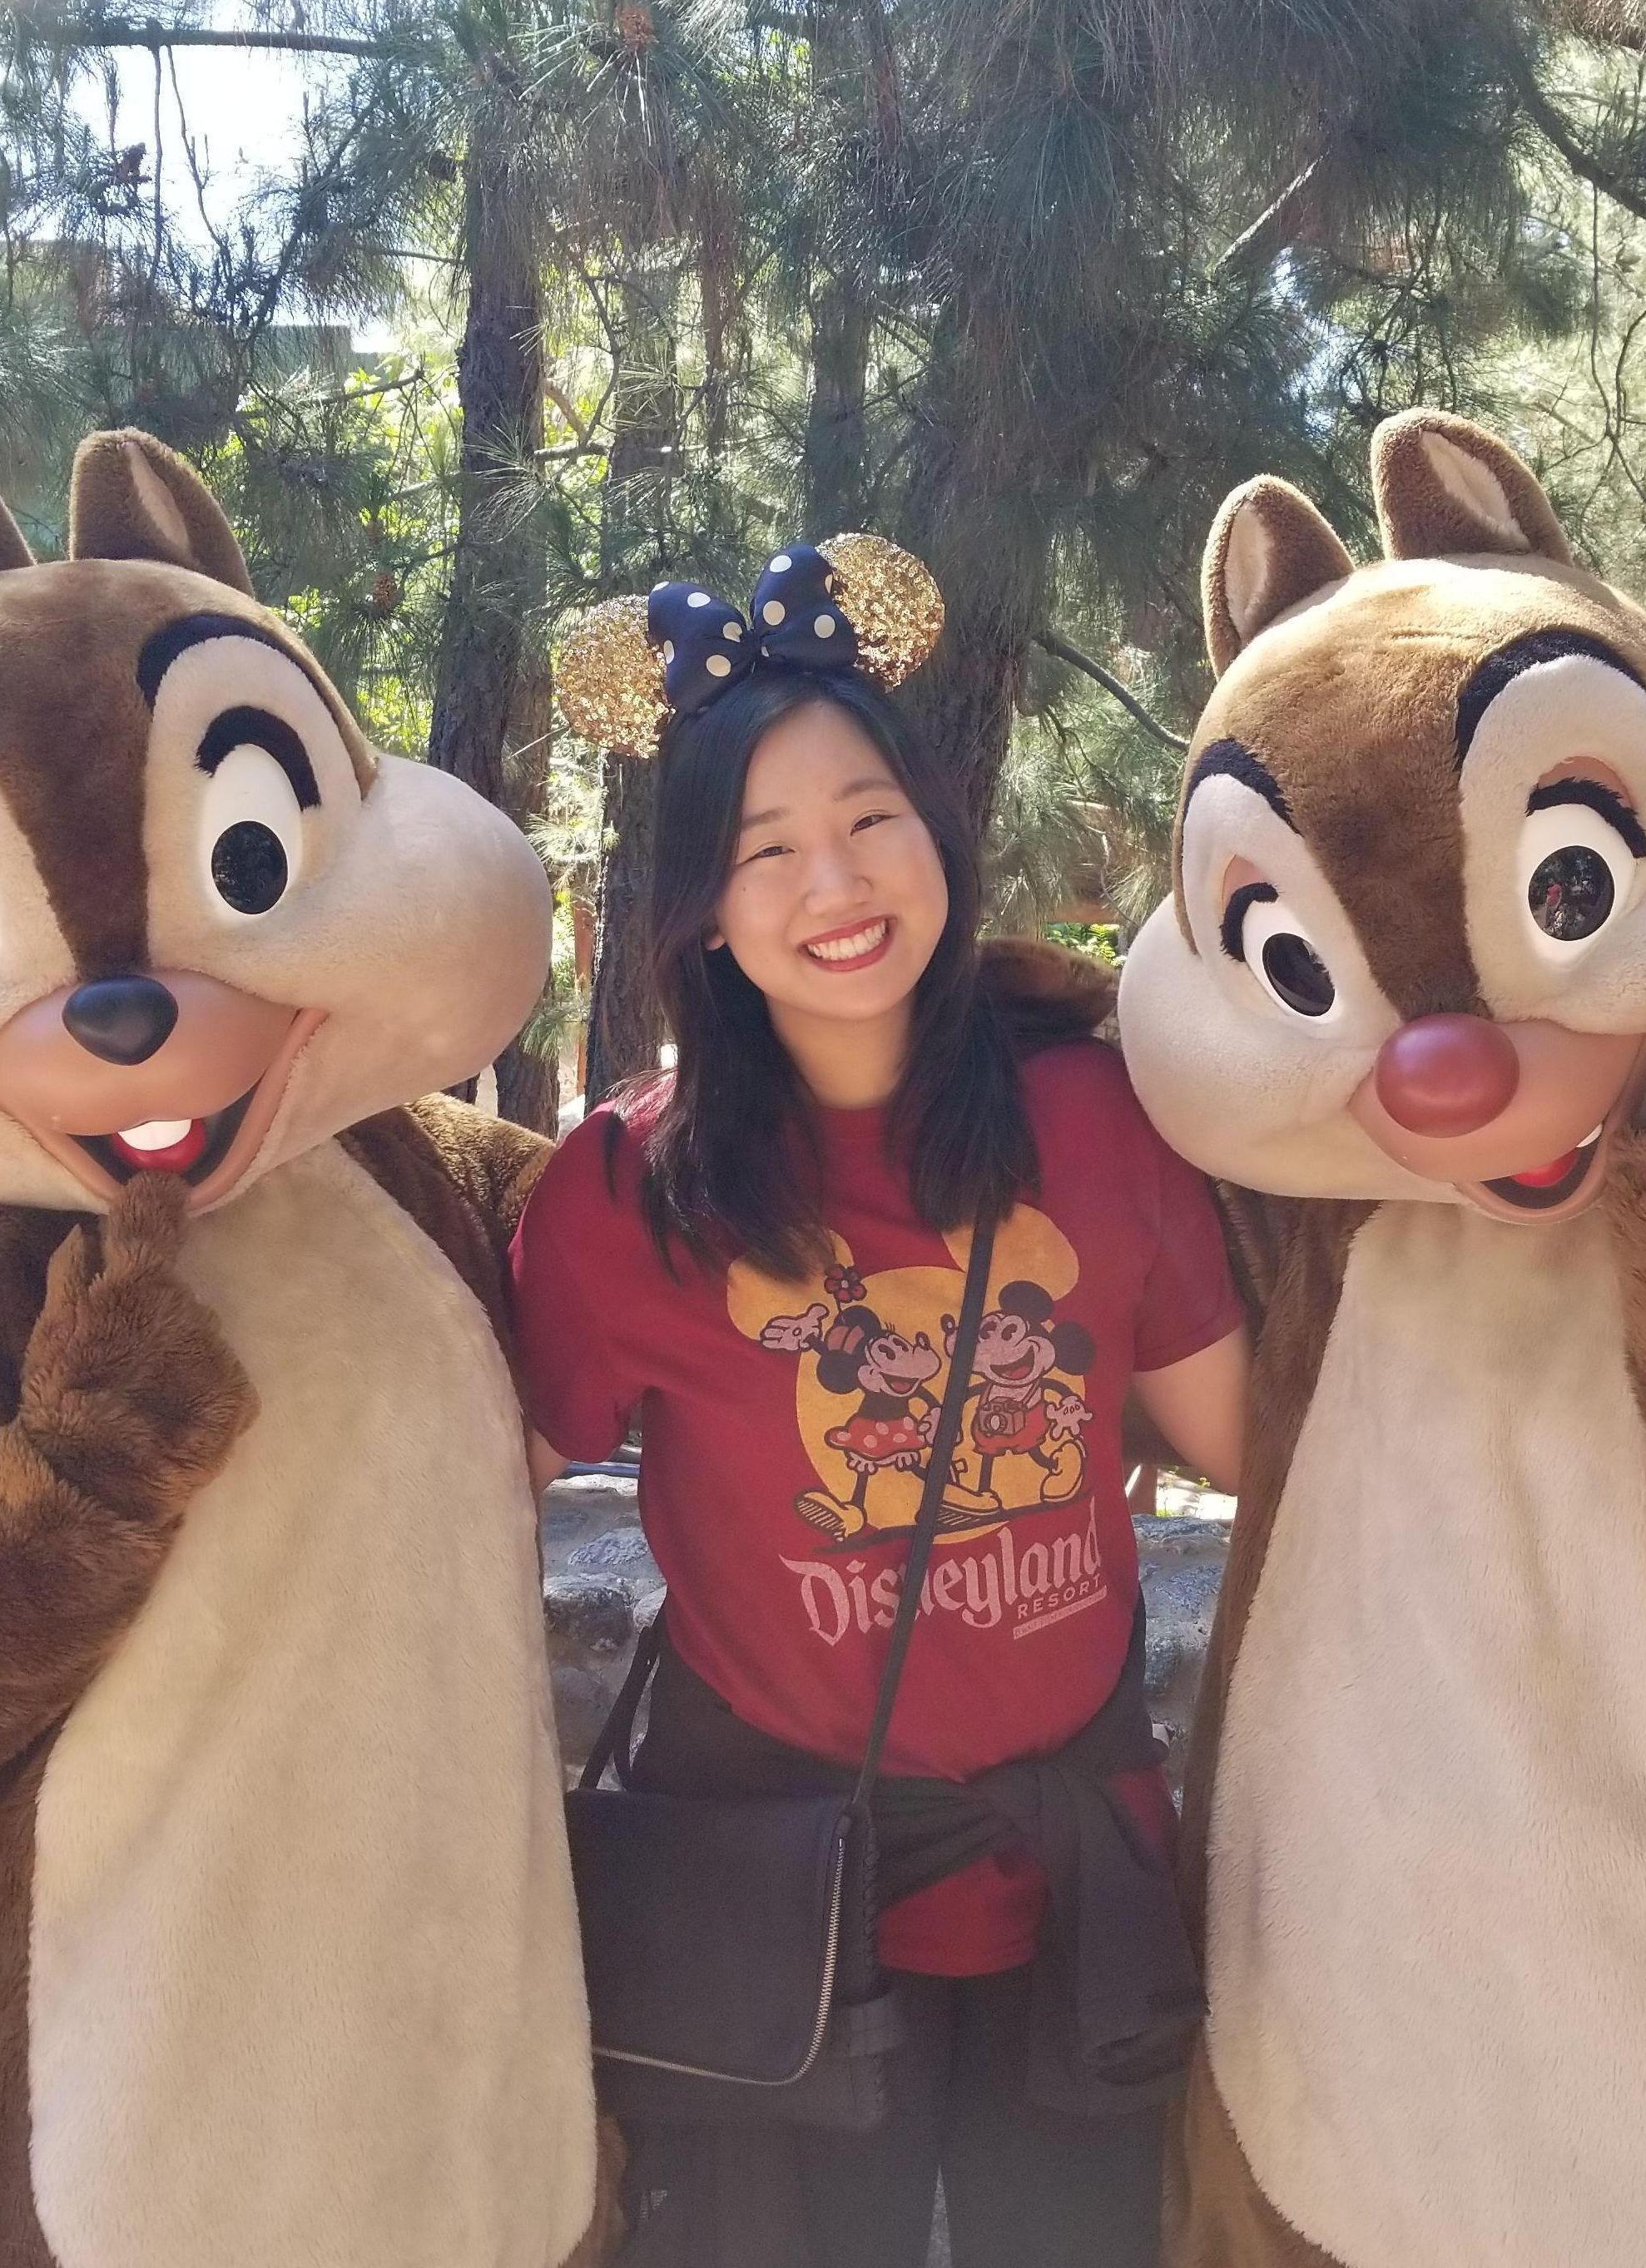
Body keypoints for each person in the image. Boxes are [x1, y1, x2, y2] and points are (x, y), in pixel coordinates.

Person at [510, 543, 1247, 2268]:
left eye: (868, 819)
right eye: (764, 850)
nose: (831, 882)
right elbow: (474, 1491)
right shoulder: (631, 1189)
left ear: (937, 830)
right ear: (698, 901)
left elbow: (1253, 1446)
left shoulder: (1100, 1121)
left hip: (1079, 1882)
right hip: (781, 1906)